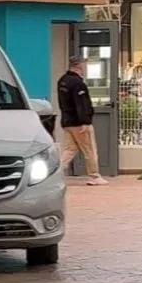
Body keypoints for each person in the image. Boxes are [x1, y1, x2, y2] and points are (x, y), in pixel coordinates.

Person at [57, 56, 108, 186]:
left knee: (70, 149)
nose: (86, 68)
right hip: (79, 124)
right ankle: (94, 176)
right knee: (89, 149)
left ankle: (55, 174)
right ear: (79, 66)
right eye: (85, 65)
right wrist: (85, 121)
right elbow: (81, 104)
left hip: (67, 122)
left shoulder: (62, 81)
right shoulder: (78, 83)